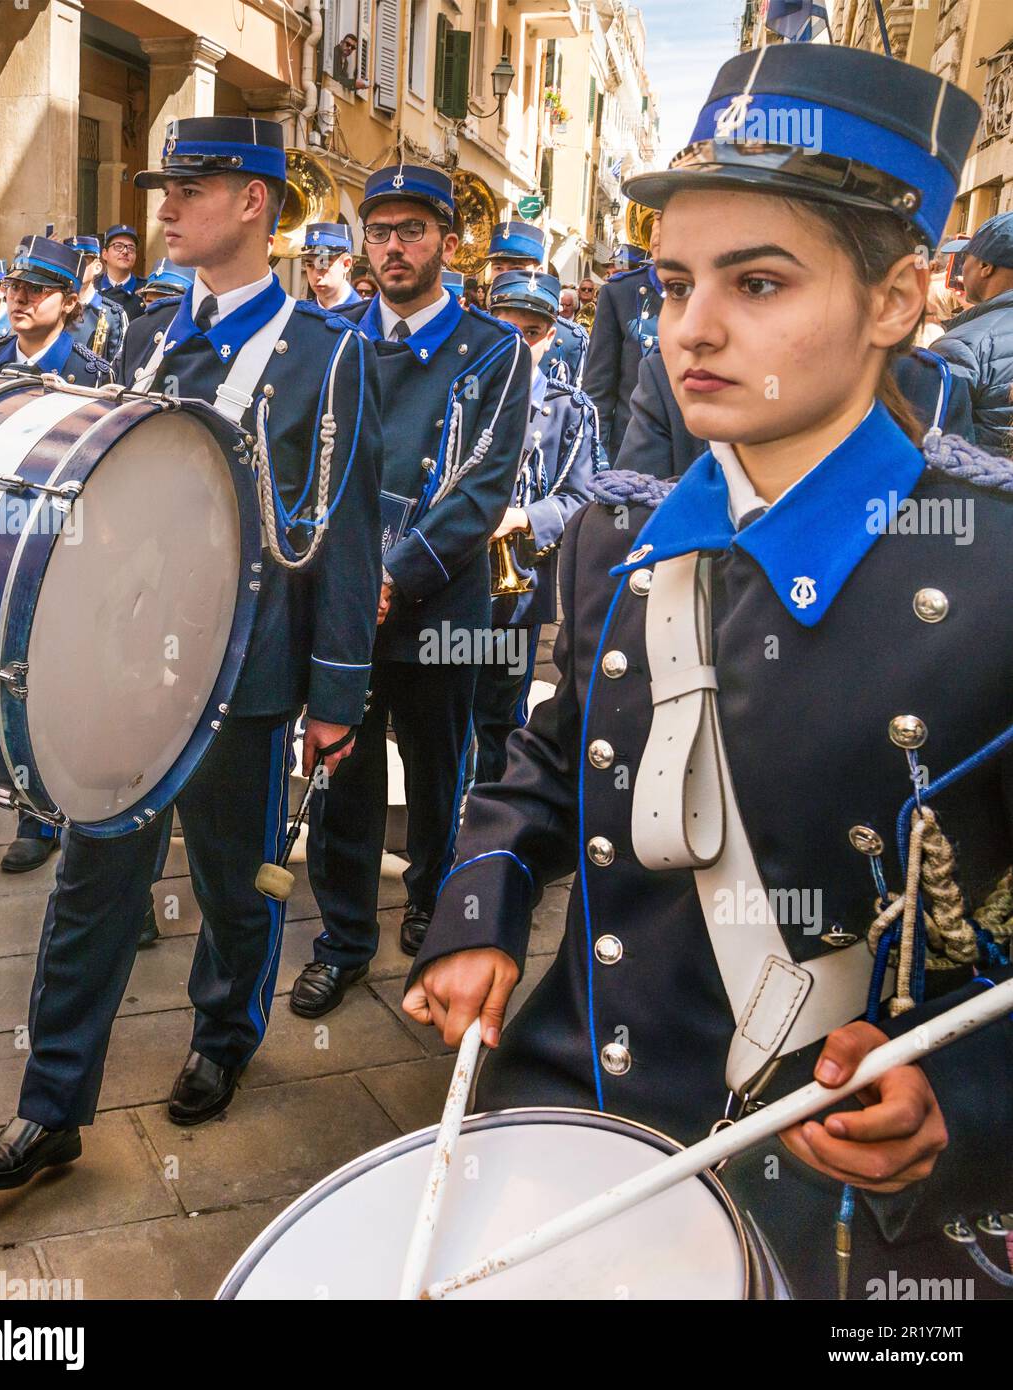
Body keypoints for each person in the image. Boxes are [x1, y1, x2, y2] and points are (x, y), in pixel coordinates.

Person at [402, 43, 1013, 1300]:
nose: (692, 328)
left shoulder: (995, 568)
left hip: (834, 1206)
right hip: (581, 1113)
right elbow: (547, 761)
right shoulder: (612, 539)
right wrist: (480, 910)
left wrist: (959, 1101)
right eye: (674, 281)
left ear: (896, 301)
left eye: (760, 281)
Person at [0, 117, 384, 1192]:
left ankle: (224, 1039)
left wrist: (335, 691)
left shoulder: (330, 355)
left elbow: (346, 532)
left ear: (254, 201)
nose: (166, 205)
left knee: (240, 887)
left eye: (190, 187)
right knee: (93, 885)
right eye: (166, 186)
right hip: (130, 666)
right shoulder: (145, 334)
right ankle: (50, 1105)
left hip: (245, 677)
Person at [294, 164, 530, 1018]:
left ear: (447, 243)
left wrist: (393, 574)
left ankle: (431, 904)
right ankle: (343, 939)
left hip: (442, 609)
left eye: (413, 231)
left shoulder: (496, 350)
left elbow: (484, 486)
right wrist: (346, 581)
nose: (393, 248)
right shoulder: (333, 338)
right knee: (342, 778)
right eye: (380, 231)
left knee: (438, 773)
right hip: (349, 612)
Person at [0, 237, 115, 890]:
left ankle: (40, 826)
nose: (16, 299)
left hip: (57, 549)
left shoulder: (98, 374)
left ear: (69, 302)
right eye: (13, 287)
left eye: (35, 290)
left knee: (42, 691)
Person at [471, 270, 600, 785]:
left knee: (500, 712)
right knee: (449, 712)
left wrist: (522, 517)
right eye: (505, 328)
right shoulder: (464, 394)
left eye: (531, 332)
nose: (518, 342)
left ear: (550, 338)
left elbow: (581, 497)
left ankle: (490, 815)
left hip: (515, 589)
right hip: (451, 583)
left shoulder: (569, 410)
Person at [617, 342, 977, 479]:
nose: (694, 328)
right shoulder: (667, 377)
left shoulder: (930, 386)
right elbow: (632, 538)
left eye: (758, 285)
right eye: (678, 287)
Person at [930, 211, 1013, 457]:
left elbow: (936, 456)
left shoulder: (961, 347)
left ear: (985, 267)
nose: (962, 269)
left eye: (966, 258)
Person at [583, 216, 662, 462]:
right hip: (631, 457)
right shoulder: (620, 293)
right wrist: (599, 464)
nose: (660, 229)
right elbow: (598, 393)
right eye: (658, 217)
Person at [484, 219, 587, 388]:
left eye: (516, 268)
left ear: (538, 272)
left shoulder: (570, 338)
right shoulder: (473, 326)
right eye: (498, 268)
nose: (505, 276)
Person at [64, 234, 128, 364]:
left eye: (82, 263)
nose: (75, 269)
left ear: (97, 267)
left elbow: (116, 368)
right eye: (70, 262)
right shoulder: (54, 306)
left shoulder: (113, 314)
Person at [300, 222, 360, 310]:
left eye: (324, 265)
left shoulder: (365, 316)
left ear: (346, 265)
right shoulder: (302, 315)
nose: (316, 276)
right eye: (310, 265)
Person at [99, 224, 145, 322]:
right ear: (105, 254)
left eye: (131, 248)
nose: (125, 251)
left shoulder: (145, 291)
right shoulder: (93, 287)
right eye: (118, 246)